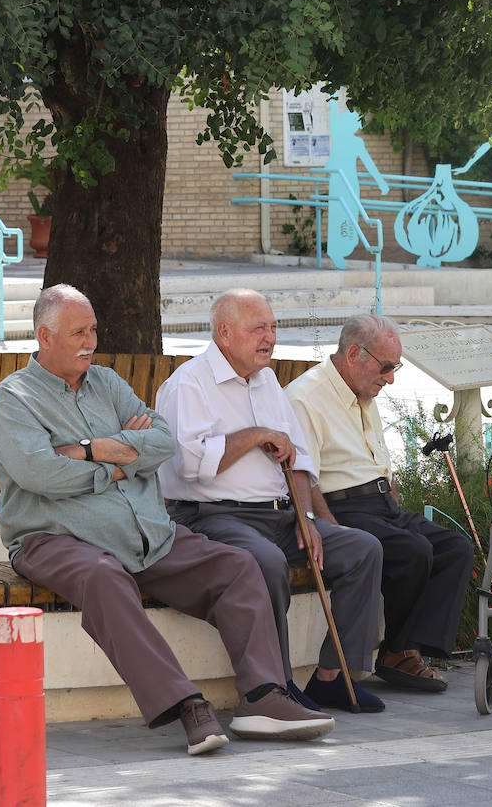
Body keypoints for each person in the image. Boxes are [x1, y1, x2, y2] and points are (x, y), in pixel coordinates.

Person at [0, 285, 333, 757]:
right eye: (78, 332)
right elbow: (39, 472)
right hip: (53, 537)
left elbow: (162, 443)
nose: (90, 340)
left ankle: (261, 698)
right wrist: (108, 453)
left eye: (93, 329)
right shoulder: (16, 397)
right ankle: (186, 704)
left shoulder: (106, 383)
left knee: (237, 566)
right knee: (104, 577)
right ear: (46, 337)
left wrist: (89, 452)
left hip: (147, 534)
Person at [156, 289, 386, 713]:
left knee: (362, 549)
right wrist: (255, 435)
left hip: (280, 515)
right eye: (258, 328)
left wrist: (308, 518)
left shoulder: (266, 382)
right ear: (224, 333)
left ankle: (332, 677)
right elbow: (190, 465)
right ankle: (276, 685)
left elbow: (298, 459)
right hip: (212, 515)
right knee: (267, 561)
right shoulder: (188, 384)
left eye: (274, 327)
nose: (270, 338)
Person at [285, 315, 474, 693]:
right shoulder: (305, 397)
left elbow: (376, 462)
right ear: (354, 354)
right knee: (413, 551)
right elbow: (304, 476)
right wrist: (332, 530)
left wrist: (395, 502)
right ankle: (399, 653)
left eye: (395, 367)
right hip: (343, 508)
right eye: (386, 367)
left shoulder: (362, 387)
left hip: (381, 503)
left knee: (455, 548)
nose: (391, 378)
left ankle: (405, 649)